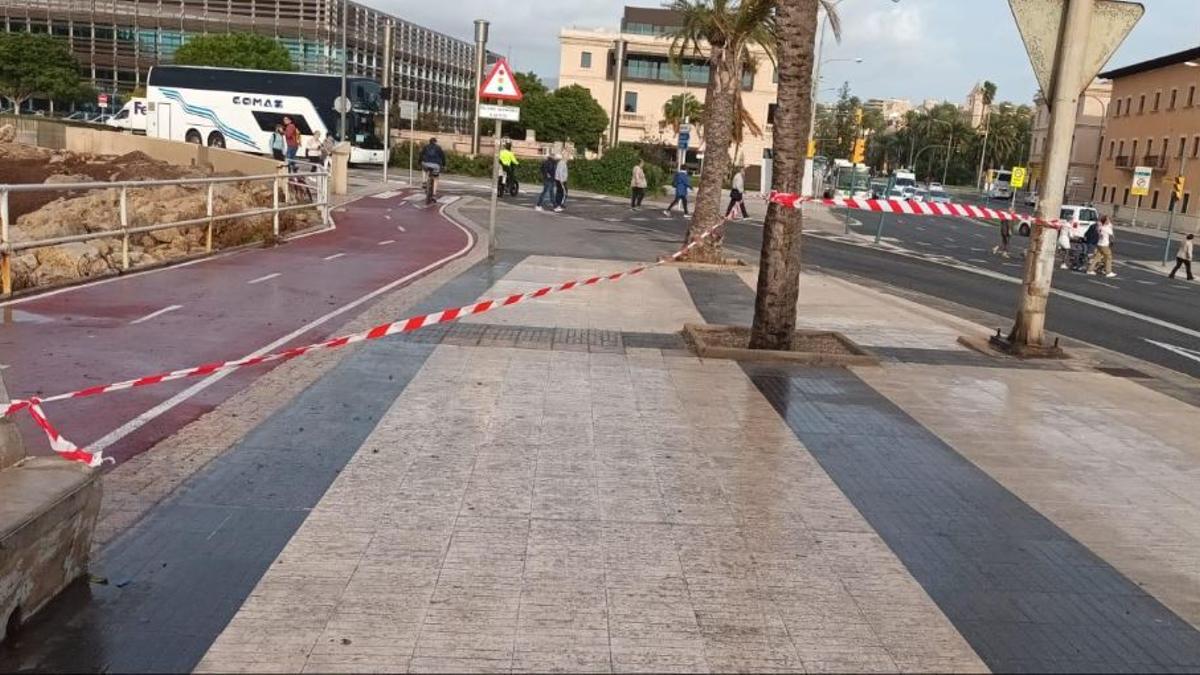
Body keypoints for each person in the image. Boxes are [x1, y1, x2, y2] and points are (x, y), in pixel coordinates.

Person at [419, 137, 446, 203]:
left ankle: (424, 182)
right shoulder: (438, 148)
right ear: (435, 142)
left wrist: (419, 162)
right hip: (435, 165)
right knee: (436, 178)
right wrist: (444, 165)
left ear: (429, 142)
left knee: (424, 169)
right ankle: (434, 194)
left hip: (426, 164)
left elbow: (421, 155)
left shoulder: (425, 147)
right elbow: (443, 157)